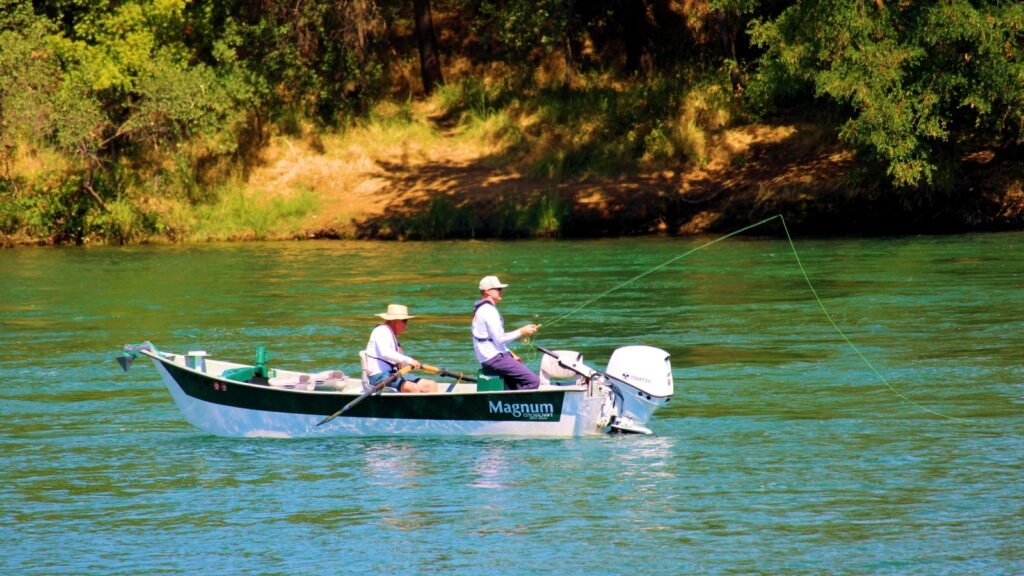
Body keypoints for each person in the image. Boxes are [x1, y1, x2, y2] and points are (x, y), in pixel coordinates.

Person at [472, 275, 541, 390]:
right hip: (494, 359)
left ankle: (506, 402)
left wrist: (509, 353)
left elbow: (491, 339)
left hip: (488, 358)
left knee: (515, 385)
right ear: (488, 292)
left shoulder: (482, 309)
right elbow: (500, 339)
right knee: (533, 381)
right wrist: (522, 331)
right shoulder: (488, 311)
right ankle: (517, 406)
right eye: (498, 289)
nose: (502, 291)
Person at [365, 304, 438, 393]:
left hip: (393, 374)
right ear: (395, 321)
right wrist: (409, 360)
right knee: (412, 388)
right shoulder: (381, 331)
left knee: (430, 385)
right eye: (404, 321)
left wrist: (404, 364)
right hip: (378, 376)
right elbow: (386, 353)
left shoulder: (391, 335)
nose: (406, 325)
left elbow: (398, 361)